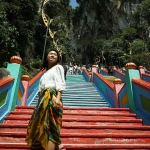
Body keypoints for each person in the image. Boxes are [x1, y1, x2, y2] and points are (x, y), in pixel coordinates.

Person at [26, 48, 66, 150]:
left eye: (55, 55)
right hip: (42, 99)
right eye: (50, 53)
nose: (53, 55)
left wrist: (57, 100)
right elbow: (41, 89)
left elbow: (61, 84)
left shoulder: (58, 67)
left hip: (52, 97)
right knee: (40, 126)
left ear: (57, 58)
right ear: (46, 57)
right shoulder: (45, 72)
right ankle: (59, 147)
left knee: (51, 127)